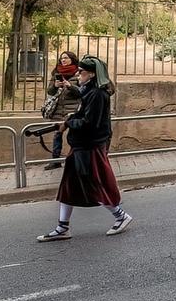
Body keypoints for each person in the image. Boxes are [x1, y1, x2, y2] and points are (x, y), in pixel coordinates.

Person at [37, 56, 131, 242]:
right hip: (82, 145)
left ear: (93, 74)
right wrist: (70, 113)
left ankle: (121, 216)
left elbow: (90, 123)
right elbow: (81, 96)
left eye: (82, 72)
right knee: (69, 185)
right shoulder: (90, 90)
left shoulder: (97, 94)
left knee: (95, 184)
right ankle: (63, 227)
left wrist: (68, 122)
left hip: (90, 146)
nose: (78, 74)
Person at [43, 51, 83, 170]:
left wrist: (70, 86)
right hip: (59, 110)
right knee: (57, 134)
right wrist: (55, 86)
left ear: (72, 59)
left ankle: (76, 159)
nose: (63, 60)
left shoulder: (79, 73)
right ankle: (55, 161)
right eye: (61, 59)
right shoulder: (56, 73)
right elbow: (50, 92)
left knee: (75, 135)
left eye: (66, 58)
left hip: (73, 110)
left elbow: (81, 92)